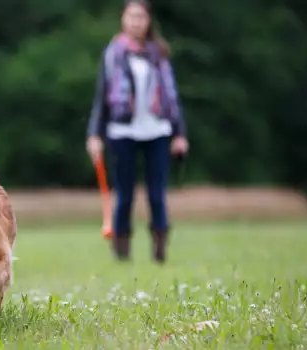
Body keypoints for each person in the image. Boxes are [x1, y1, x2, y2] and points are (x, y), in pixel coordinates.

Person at [86, 0, 189, 263]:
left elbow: (172, 95)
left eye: (141, 17)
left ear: (148, 21)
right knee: (125, 194)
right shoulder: (114, 53)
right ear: (123, 19)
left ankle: (160, 248)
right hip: (122, 130)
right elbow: (102, 97)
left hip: (157, 129)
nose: (136, 22)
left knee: (157, 193)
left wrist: (180, 133)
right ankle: (121, 251)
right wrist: (94, 134)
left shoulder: (159, 53)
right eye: (131, 16)